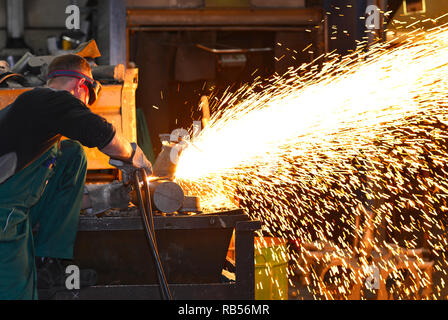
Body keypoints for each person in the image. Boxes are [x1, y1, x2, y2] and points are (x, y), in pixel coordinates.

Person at [0, 54, 152, 300]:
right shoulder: (48, 99)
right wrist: (133, 155)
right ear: (82, 86)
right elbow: (100, 133)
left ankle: (48, 261)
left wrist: (107, 197)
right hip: (3, 217)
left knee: (72, 154)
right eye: (86, 103)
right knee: (17, 293)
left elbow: (49, 197)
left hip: (16, 209)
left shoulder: (36, 125)